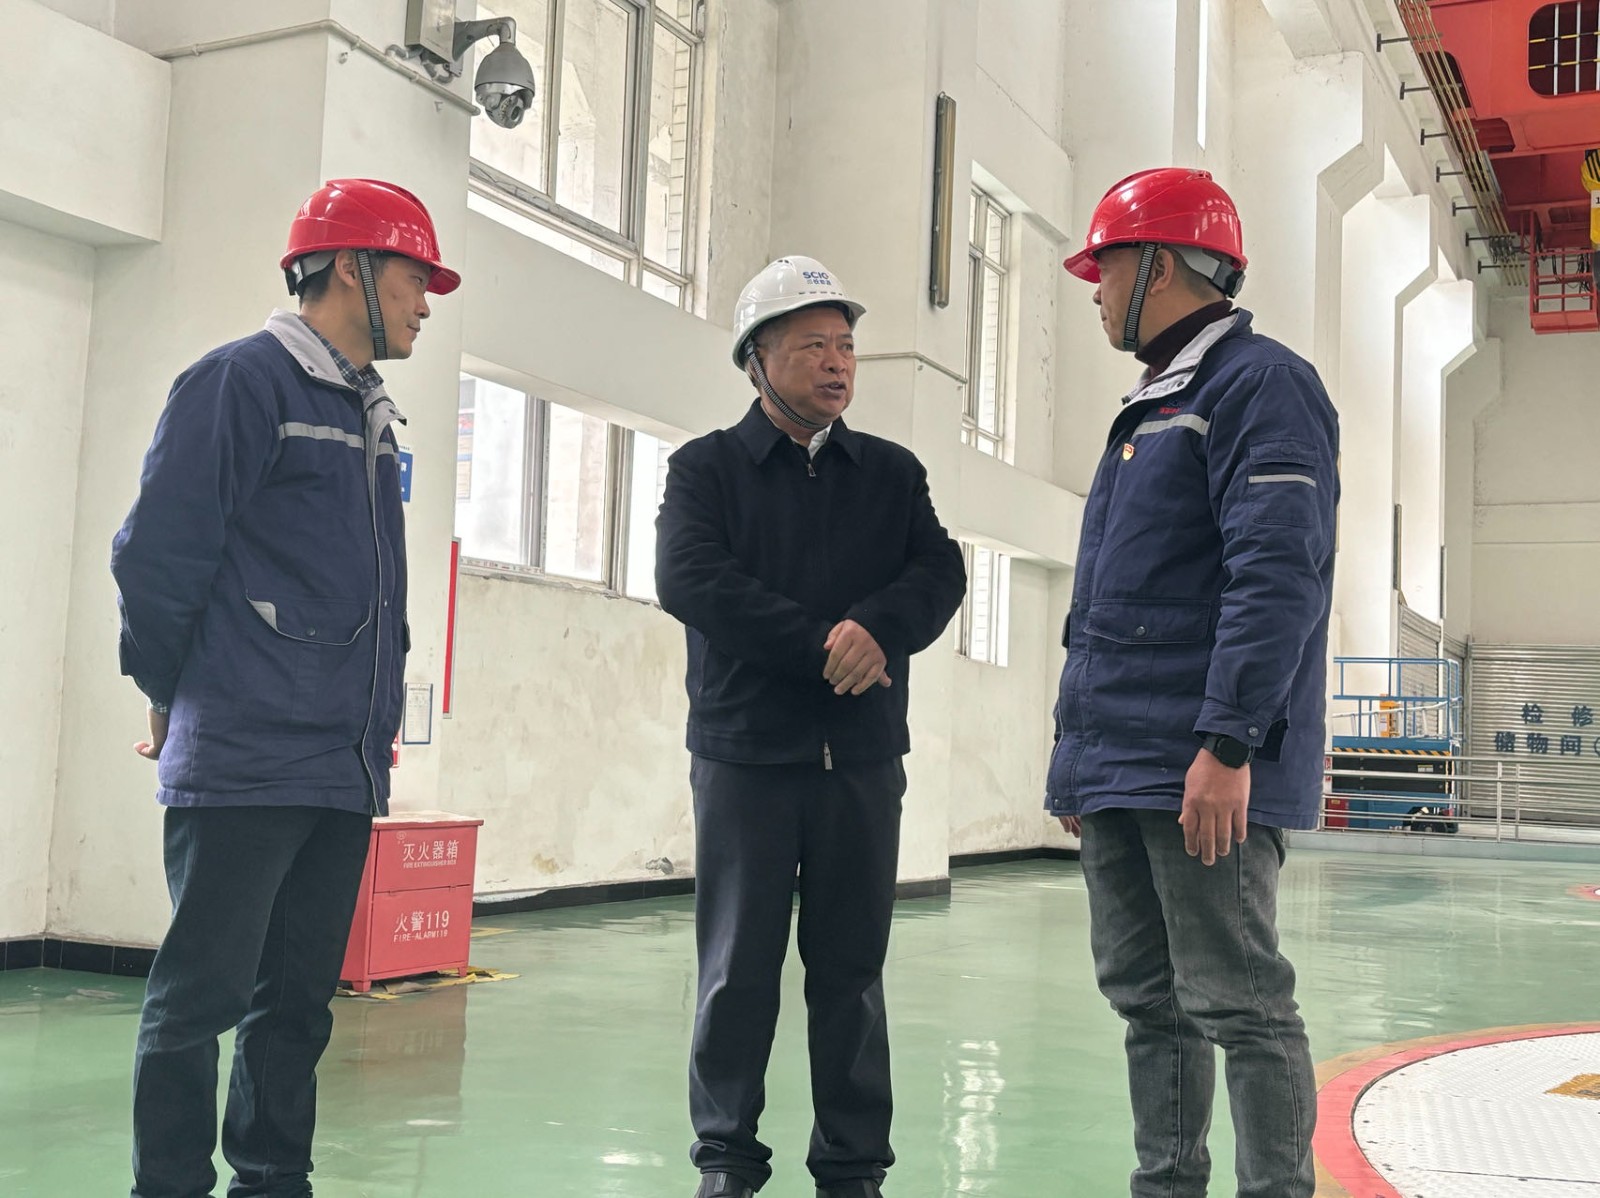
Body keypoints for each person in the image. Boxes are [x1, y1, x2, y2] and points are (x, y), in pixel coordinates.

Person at [112, 178, 459, 1198]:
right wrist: (166, 690)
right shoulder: (240, 383)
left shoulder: (368, 409)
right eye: (413, 277)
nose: (426, 303)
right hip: (245, 757)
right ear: (350, 267)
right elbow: (157, 557)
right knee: (198, 1000)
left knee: (298, 1005)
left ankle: (272, 1181)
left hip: (340, 765)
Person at [1045, 168, 1339, 1198]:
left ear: (1159, 266)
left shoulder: (1259, 386)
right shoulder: (1153, 404)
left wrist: (1226, 743)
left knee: (1238, 1001)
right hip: (1124, 762)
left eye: (1105, 266)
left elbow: (1277, 574)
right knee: (1147, 1000)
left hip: (1200, 763)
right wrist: (1077, 765)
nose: (1094, 290)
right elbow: (1108, 602)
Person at [656, 256, 966, 1198]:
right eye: (812, 346)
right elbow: (691, 580)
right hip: (745, 756)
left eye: (846, 346)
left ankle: (852, 1165)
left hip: (860, 762)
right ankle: (726, 1158)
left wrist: (879, 628)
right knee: (736, 969)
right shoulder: (706, 469)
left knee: (851, 971)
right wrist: (822, 647)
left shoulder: (891, 474)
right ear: (757, 360)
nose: (836, 364)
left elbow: (940, 571)